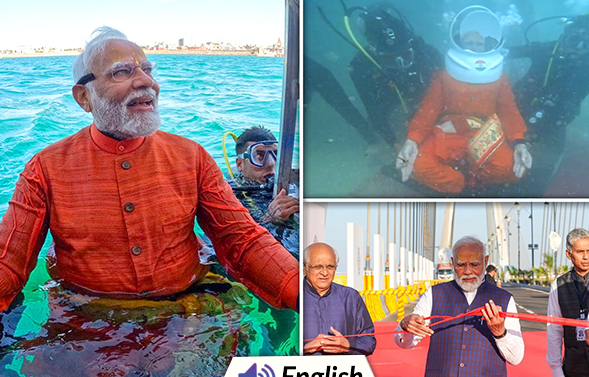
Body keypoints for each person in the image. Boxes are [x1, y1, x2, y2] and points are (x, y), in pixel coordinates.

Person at [0, 27, 299, 314]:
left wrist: (310, 294)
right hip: (86, 322)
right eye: (122, 71)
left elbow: (242, 240)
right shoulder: (45, 168)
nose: (146, 82)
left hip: (187, 314)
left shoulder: (192, 156)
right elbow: (9, 263)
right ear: (84, 97)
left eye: (148, 70)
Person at [396, 6, 532, 195]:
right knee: (418, 166)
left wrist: (519, 142)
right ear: (459, 44)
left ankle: (477, 177)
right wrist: (412, 140)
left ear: (486, 46)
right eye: (469, 43)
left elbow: (509, 112)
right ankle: (461, 184)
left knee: (513, 169)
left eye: (479, 43)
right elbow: (428, 110)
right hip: (449, 133)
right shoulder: (443, 76)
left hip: (486, 134)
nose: (475, 47)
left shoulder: (501, 78)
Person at [395, 236, 524, 377]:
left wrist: (500, 333)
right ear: (452, 262)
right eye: (461, 265)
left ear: (486, 261)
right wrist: (405, 325)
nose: (468, 271)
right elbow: (404, 342)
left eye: (475, 265)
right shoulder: (434, 295)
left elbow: (516, 357)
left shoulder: (504, 299)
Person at [507, 14, 589, 196]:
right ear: (564, 38)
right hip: (518, 112)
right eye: (574, 39)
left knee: (543, 170)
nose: (579, 48)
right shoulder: (547, 50)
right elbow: (505, 52)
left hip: (555, 123)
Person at [347, 3, 443, 148]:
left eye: (406, 55)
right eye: (390, 59)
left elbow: (446, 90)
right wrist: (394, 143)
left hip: (423, 93)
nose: (400, 64)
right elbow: (372, 108)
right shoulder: (361, 66)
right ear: (376, 54)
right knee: (379, 121)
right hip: (387, 96)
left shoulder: (427, 53)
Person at [547, 228, 589, 377]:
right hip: (574, 369)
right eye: (580, 252)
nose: (586, 257)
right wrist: (557, 373)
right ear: (569, 254)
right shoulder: (559, 285)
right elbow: (554, 330)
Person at [303, 242, 376, 356]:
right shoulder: (289, 298)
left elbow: (369, 341)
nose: (325, 272)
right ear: (304, 267)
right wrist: (303, 349)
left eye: (330, 267)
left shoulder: (351, 297)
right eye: (318, 267)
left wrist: (347, 345)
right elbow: (272, 346)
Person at [234, 126, 299, 222]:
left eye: (276, 154)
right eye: (259, 156)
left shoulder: (294, 184)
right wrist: (271, 217)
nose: (271, 163)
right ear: (240, 164)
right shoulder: (232, 196)